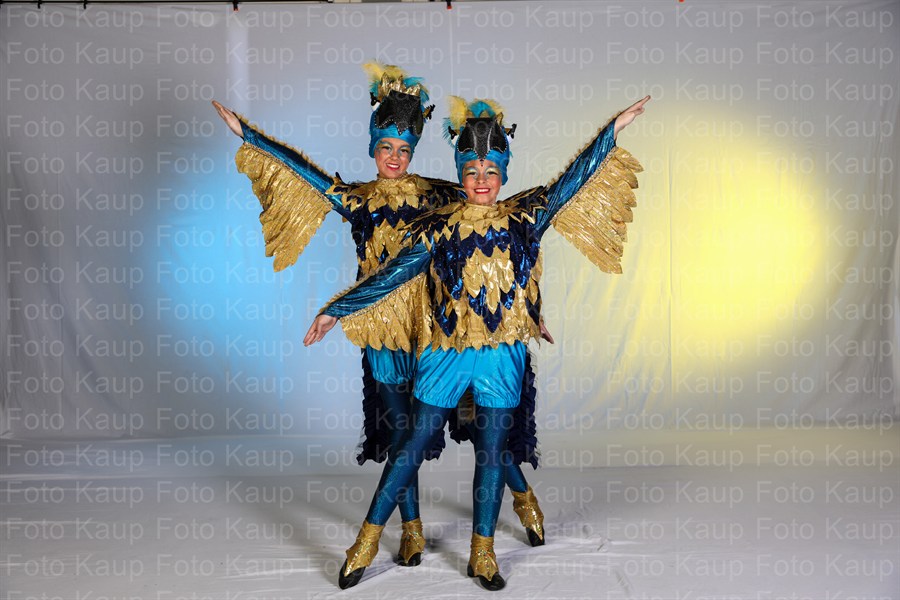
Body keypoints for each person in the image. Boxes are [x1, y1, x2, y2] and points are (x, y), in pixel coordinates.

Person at [305, 95, 649, 590]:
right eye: (471, 171)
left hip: (502, 356)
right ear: (460, 174)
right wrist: (335, 310)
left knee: (491, 450)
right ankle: (366, 540)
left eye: (490, 170)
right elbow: (390, 276)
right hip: (444, 354)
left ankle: (482, 552)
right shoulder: (436, 227)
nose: (481, 179)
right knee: (412, 444)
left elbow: (571, 182)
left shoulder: (525, 217)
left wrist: (612, 130)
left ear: (503, 173)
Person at [213, 63, 547, 567]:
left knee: (483, 426)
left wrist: (527, 309)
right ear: (373, 148)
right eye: (386, 147)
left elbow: (502, 238)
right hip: (384, 334)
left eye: (404, 149)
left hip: (439, 328)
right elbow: (307, 176)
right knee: (402, 435)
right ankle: (411, 529)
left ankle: (521, 497)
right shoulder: (358, 200)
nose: (394, 157)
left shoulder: (440, 195)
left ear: (414, 151)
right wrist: (252, 136)